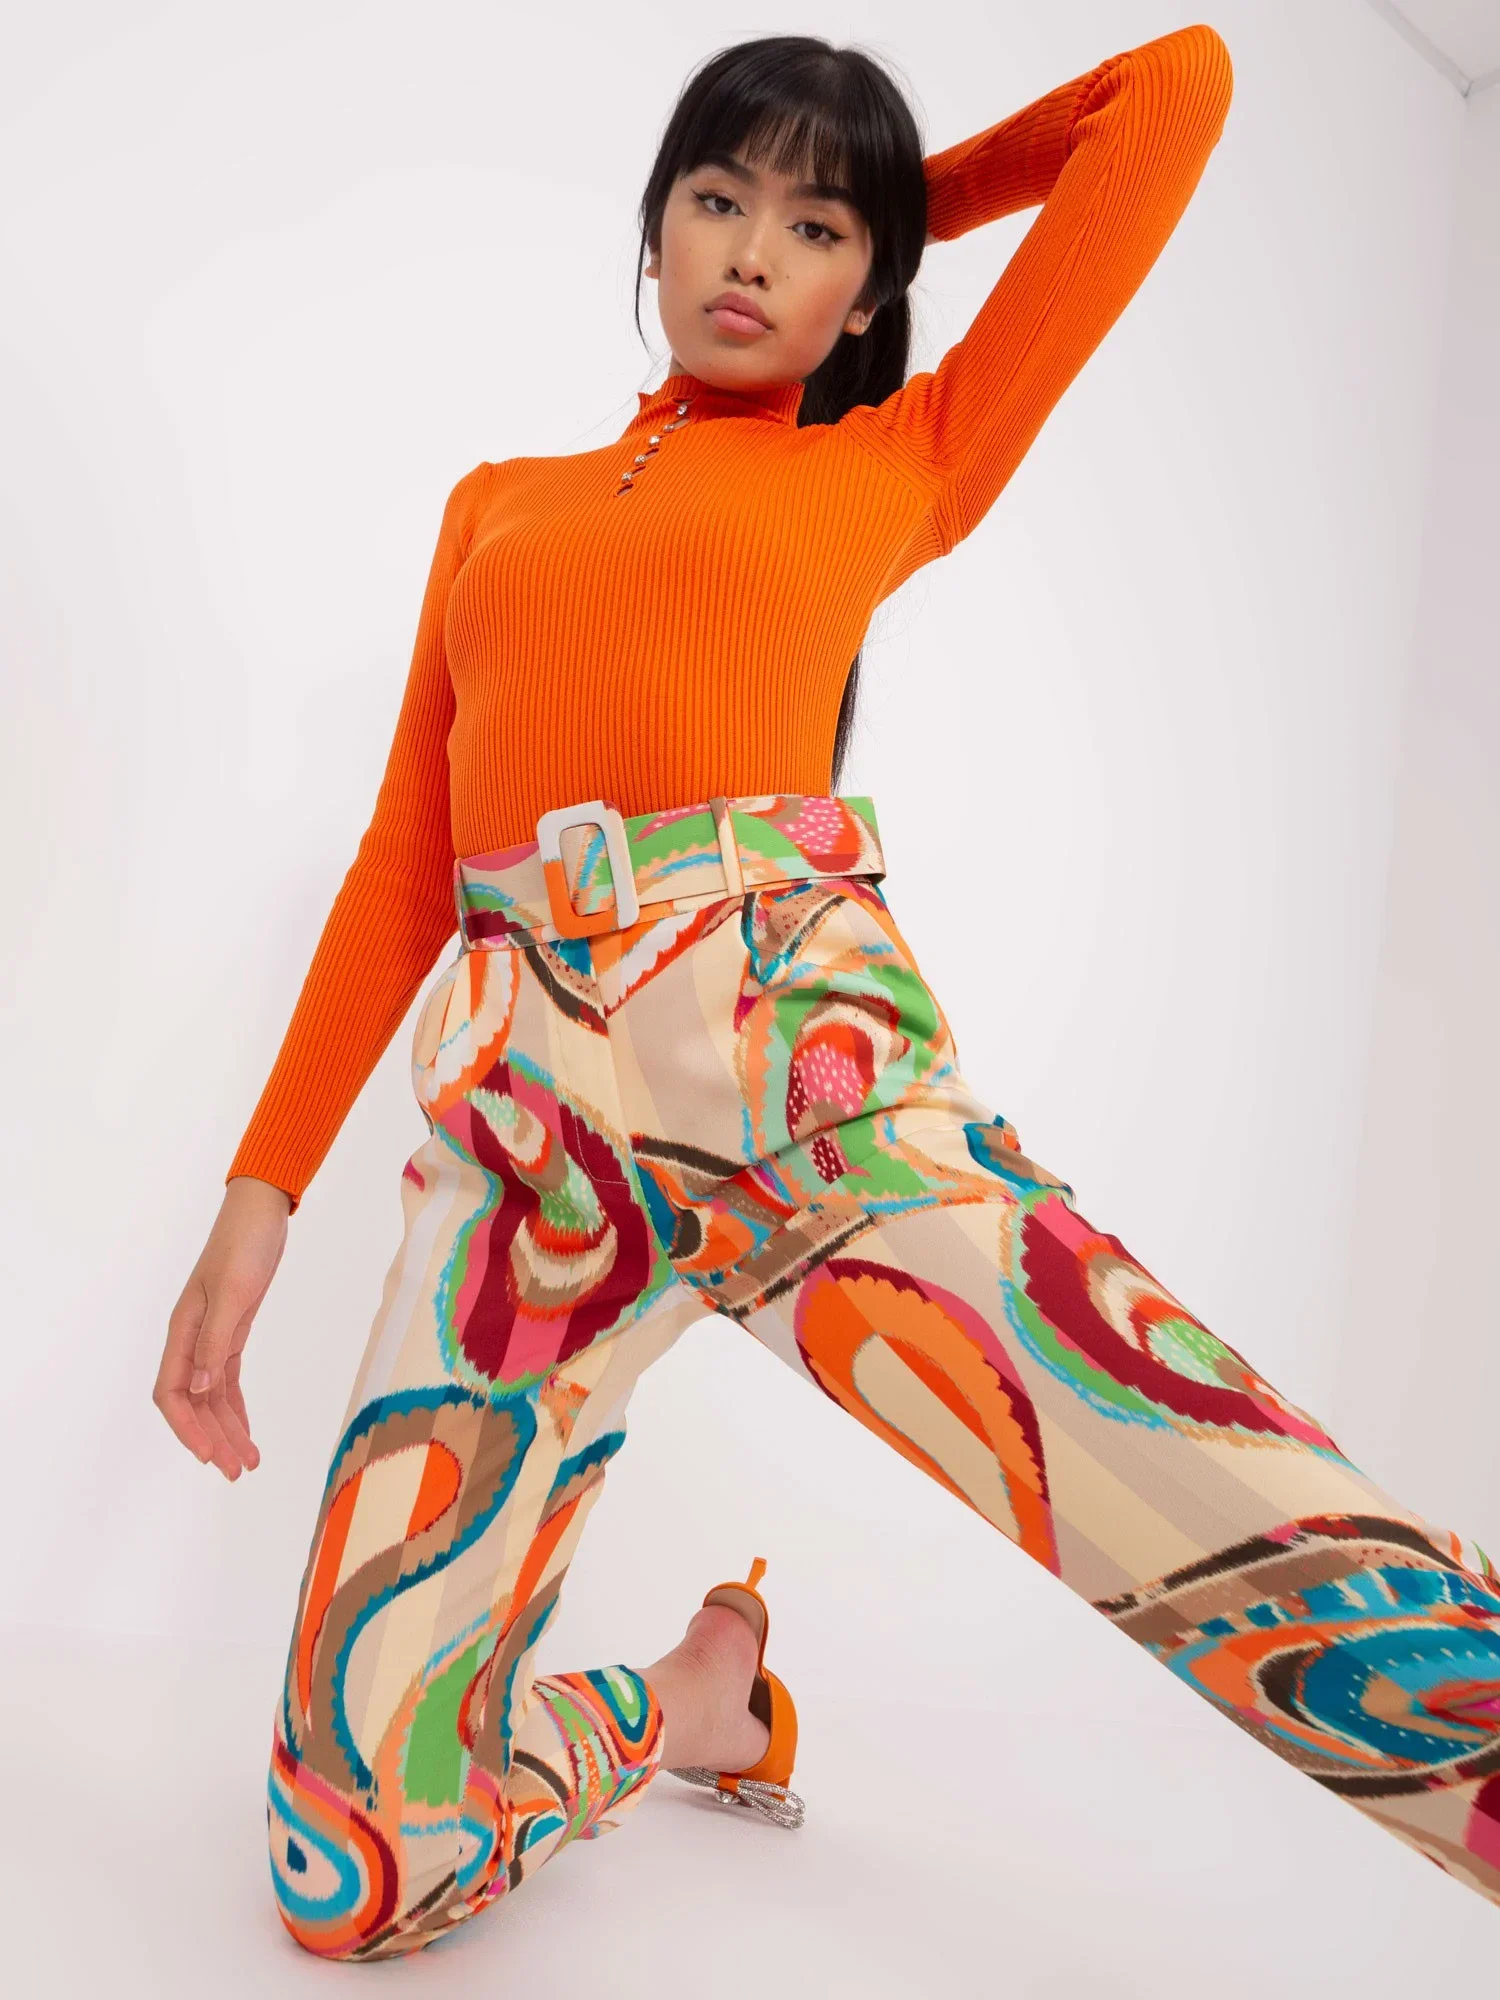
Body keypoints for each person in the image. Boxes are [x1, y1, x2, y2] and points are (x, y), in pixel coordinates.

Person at [155, 19, 1500, 1961]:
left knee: (1191, 1481)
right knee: (347, 1865)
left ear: (866, 286)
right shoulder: (495, 502)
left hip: (794, 1057)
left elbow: (1179, 90)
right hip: (526, 1129)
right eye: (718, 202)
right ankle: (694, 1703)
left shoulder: (901, 458)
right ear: (652, 225)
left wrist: (896, 206)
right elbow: (401, 861)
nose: (752, 253)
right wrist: (260, 1191)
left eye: (811, 231)